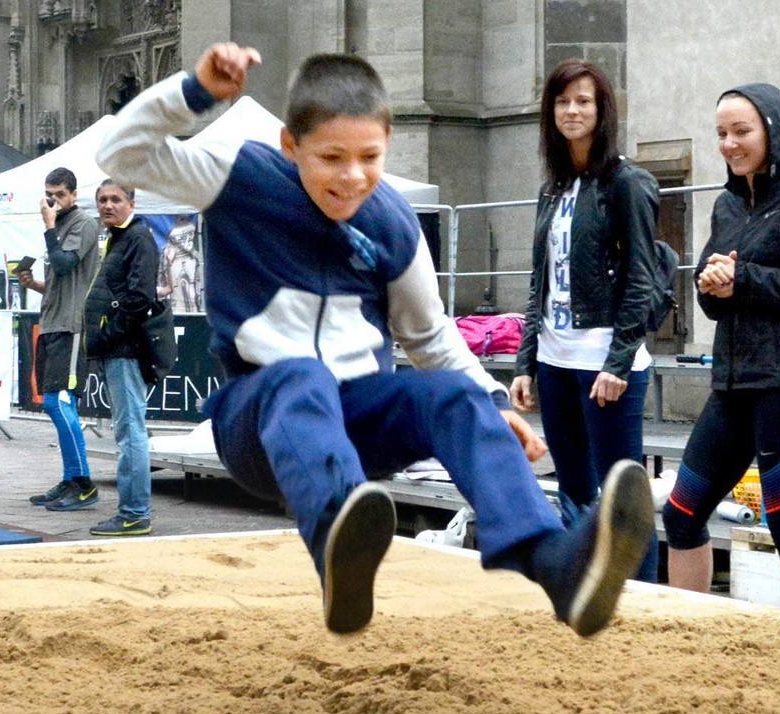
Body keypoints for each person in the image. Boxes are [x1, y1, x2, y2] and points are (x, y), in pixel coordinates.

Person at [97, 43, 654, 636]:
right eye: (331, 157)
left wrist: (489, 405)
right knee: (299, 376)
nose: (353, 176)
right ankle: (336, 536)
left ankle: (555, 562)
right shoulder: (240, 178)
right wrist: (196, 91)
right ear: (291, 146)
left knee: (449, 394)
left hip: (353, 423)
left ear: (388, 145)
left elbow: (431, 336)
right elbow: (119, 153)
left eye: (370, 156)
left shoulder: (391, 222)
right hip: (259, 424)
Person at [661, 83, 780, 613]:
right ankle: (688, 634)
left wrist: (745, 279)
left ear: (774, 131)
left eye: (742, 131)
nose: (729, 143)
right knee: (682, 514)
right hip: (732, 383)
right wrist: (713, 285)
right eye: (721, 132)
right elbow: (717, 293)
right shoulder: (725, 204)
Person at [510, 59, 660, 583]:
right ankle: (582, 586)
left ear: (601, 111)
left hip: (606, 364)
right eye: (562, 102)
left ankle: (642, 597)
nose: (572, 111)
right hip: (554, 359)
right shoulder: (552, 188)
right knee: (571, 487)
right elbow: (540, 281)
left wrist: (618, 362)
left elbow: (642, 277)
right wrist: (525, 361)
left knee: (623, 492)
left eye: (583, 102)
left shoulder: (627, 182)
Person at [17, 167, 102, 511]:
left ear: (74, 194)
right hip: (52, 323)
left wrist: (49, 226)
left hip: (71, 326)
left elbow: (66, 265)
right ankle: (71, 478)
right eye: (49, 194)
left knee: (59, 402)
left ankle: (83, 483)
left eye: (60, 195)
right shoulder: (62, 225)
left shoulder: (81, 223)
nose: (53, 201)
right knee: (53, 402)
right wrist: (35, 284)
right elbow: (61, 278)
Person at [82, 180, 160, 536]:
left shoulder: (137, 238)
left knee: (131, 431)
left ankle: (134, 512)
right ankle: (132, 510)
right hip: (116, 347)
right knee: (127, 430)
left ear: (132, 202)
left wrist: (109, 331)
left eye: (115, 199)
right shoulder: (118, 238)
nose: (107, 205)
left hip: (126, 349)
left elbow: (139, 297)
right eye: (102, 200)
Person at [157, 217, 203, 312]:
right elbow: (166, 288)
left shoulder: (195, 259)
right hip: (176, 309)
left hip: (194, 308)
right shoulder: (167, 256)